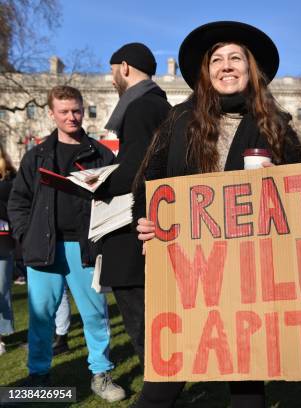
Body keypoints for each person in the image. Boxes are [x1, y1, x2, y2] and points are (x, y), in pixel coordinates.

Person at [133, 21, 301, 408]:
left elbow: (300, 197)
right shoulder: (178, 120)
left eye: (235, 59)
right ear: (207, 73)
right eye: (217, 60)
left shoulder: (277, 128)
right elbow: (149, 181)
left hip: (249, 274)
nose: (226, 67)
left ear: (251, 69)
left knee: (246, 382)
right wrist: (144, 221)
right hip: (184, 271)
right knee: (164, 381)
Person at [7, 85, 126, 402]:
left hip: (85, 248)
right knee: (41, 315)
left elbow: (117, 200)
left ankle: (101, 374)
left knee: (94, 314)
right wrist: (24, 234)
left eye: (76, 110)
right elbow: (18, 201)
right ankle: (39, 376)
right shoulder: (37, 156)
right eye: (64, 111)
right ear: (51, 114)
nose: (72, 117)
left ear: (83, 109)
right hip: (43, 249)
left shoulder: (101, 154)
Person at [93, 42, 170, 368]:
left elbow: (137, 167)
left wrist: (94, 183)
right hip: (153, 217)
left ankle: (157, 390)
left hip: (130, 227)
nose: (112, 79)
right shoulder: (160, 105)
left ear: (124, 67)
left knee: (139, 321)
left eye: (113, 71)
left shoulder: (138, 108)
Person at [0, 144, 16, 356]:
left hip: (3, 242)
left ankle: (1, 337)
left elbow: (14, 209)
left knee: (2, 290)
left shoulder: (9, 180)